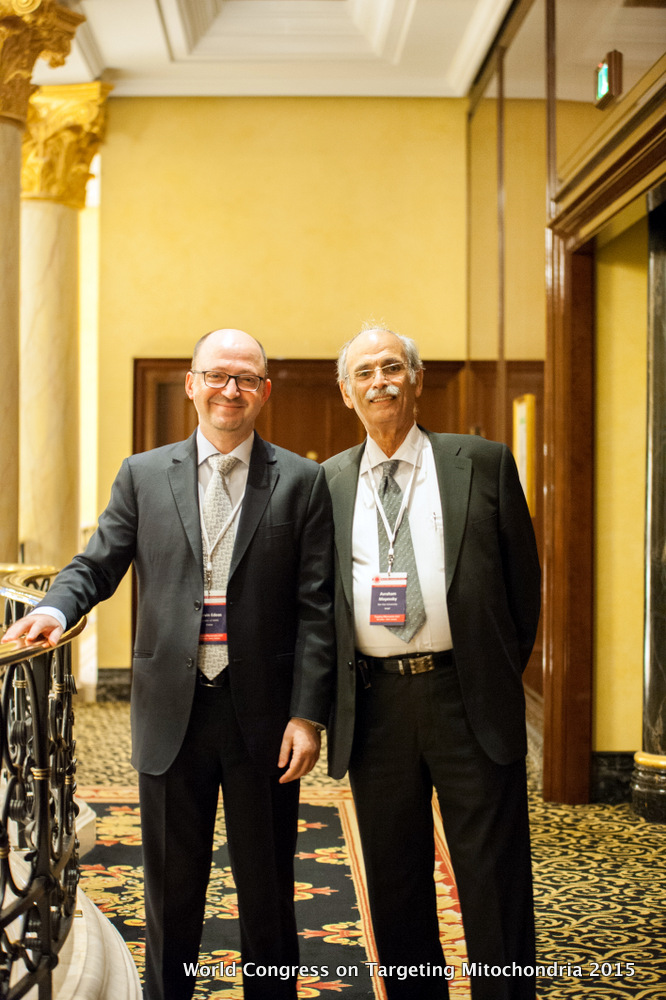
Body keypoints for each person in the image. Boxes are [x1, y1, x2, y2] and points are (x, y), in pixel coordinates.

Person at [3, 328, 335, 1000]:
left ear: (264, 392)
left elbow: (317, 608)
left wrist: (307, 715)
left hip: (263, 717)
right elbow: (97, 564)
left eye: (245, 378)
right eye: (217, 375)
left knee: (268, 895)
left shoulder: (302, 481)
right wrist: (56, 610)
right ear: (192, 384)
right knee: (171, 895)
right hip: (169, 713)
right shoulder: (144, 474)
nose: (230, 390)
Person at [323, 325, 541, 1000]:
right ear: (346, 392)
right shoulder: (325, 483)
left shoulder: (483, 463)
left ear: (416, 379)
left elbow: (523, 588)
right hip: (376, 704)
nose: (380, 382)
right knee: (396, 880)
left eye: (392, 367)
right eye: (364, 372)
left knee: (493, 876)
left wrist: (490, 669)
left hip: (466, 693)